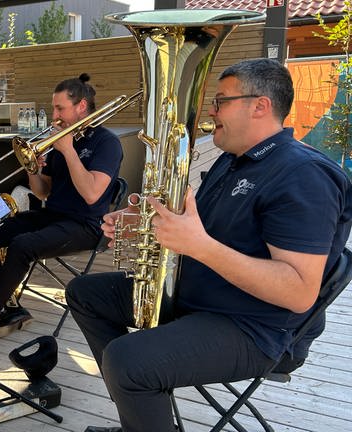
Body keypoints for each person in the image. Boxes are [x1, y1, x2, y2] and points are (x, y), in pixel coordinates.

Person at [65, 59, 352, 432]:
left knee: (127, 361)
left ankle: (140, 394)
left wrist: (198, 246)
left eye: (221, 101)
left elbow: (298, 291)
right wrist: (148, 224)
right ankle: (142, 412)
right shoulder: (232, 159)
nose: (211, 111)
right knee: (86, 293)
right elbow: (210, 229)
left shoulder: (304, 175)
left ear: (260, 105)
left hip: (256, 328)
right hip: (204, 296)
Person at [0, 73, 123, 339]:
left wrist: (69, 151)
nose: (54, 114)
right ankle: (10, 307)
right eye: (54, 107)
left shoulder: (106, 142)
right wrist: (33, 168)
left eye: (60, 108)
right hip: (52, 215)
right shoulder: (60, 141)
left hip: (86, 224)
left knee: (23, 245)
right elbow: (42, 192)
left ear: (81, 106)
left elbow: (92, 195)